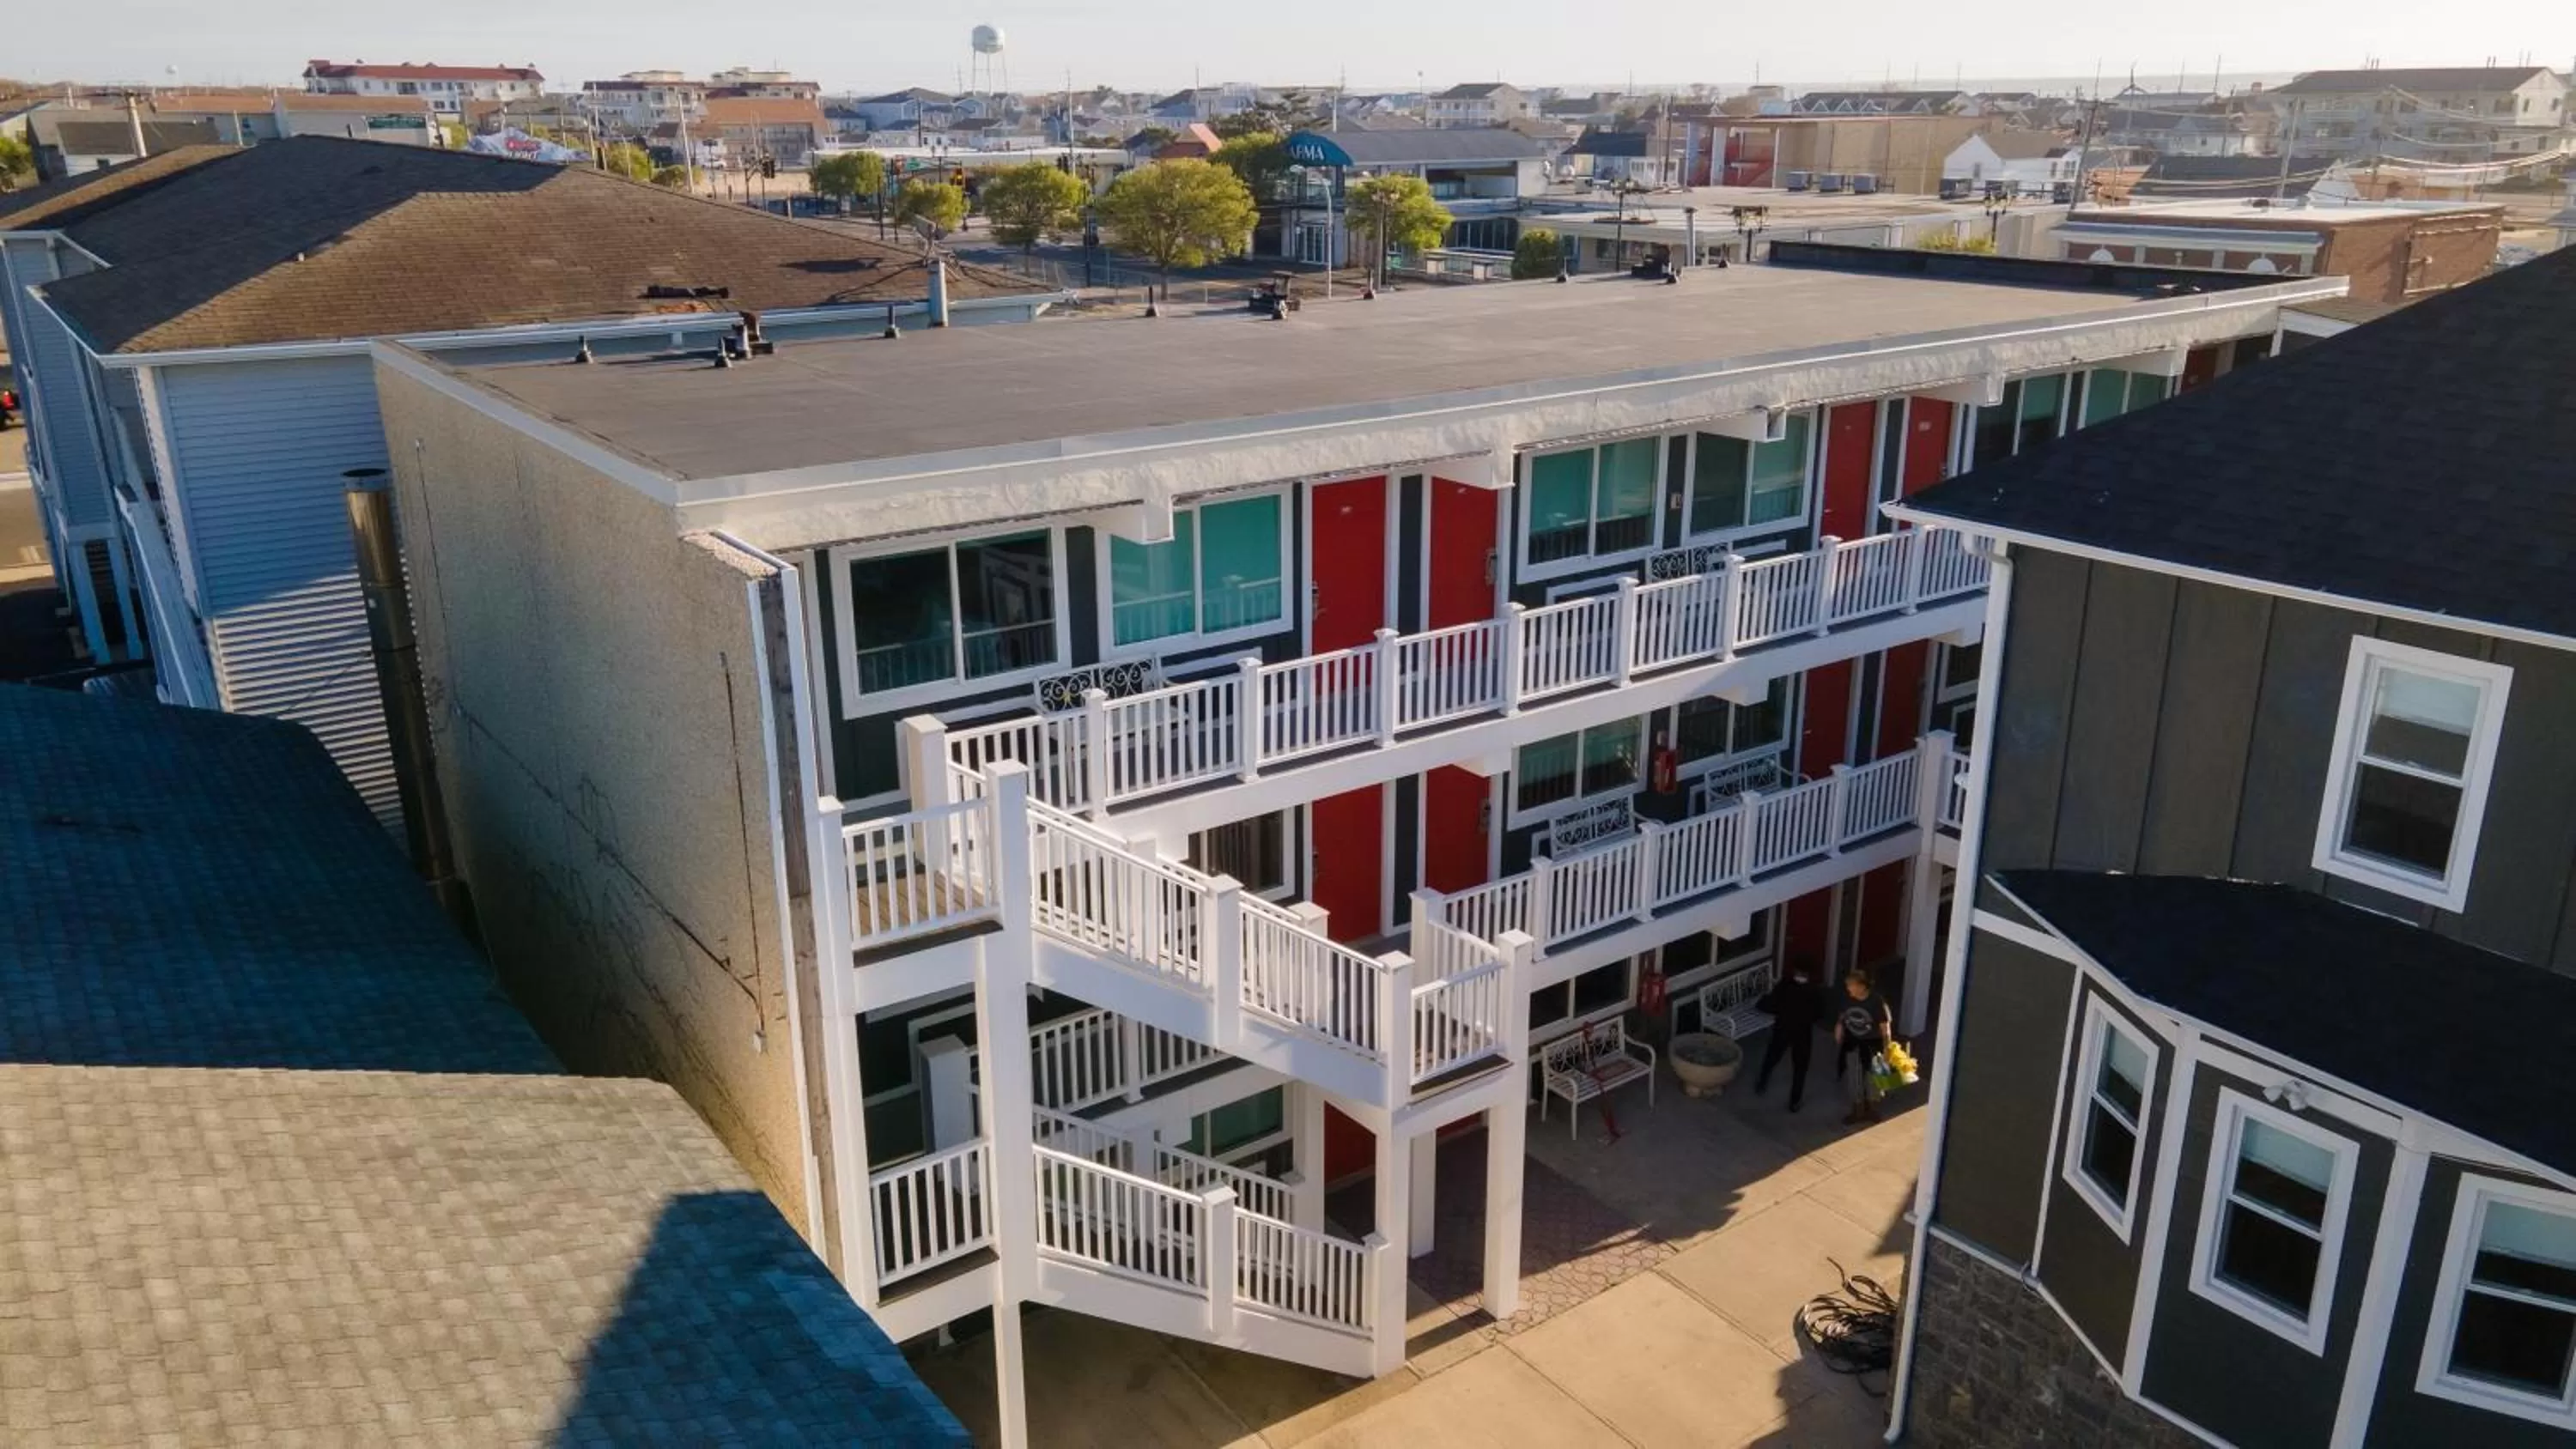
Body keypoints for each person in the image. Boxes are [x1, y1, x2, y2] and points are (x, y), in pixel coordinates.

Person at [1750, 959, 1824, 1111]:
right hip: (1802, 1032)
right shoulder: (1813, 991)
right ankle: (1795, 1101)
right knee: (1800, 1067)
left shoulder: (1786, 985)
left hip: (1783, 1028)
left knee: (1772, 1057)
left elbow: (1772, 1003)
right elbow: (1819, 1013)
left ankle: (1762, 1082)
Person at [1833, 967, 1894, 1125]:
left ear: (1862, 986)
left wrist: (1887, 1049)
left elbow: (1885, 1028)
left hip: (1873, 1045)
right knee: (1854, 1077)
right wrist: (1839, 1029)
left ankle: (1871, 1110)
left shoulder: (1876, 1002)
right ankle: (1857, 1110)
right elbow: (1842, 1017)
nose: (1848, 988)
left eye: (1851, 985)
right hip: (1854, 1042)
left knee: (1874, 1078)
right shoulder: (1847, 999)